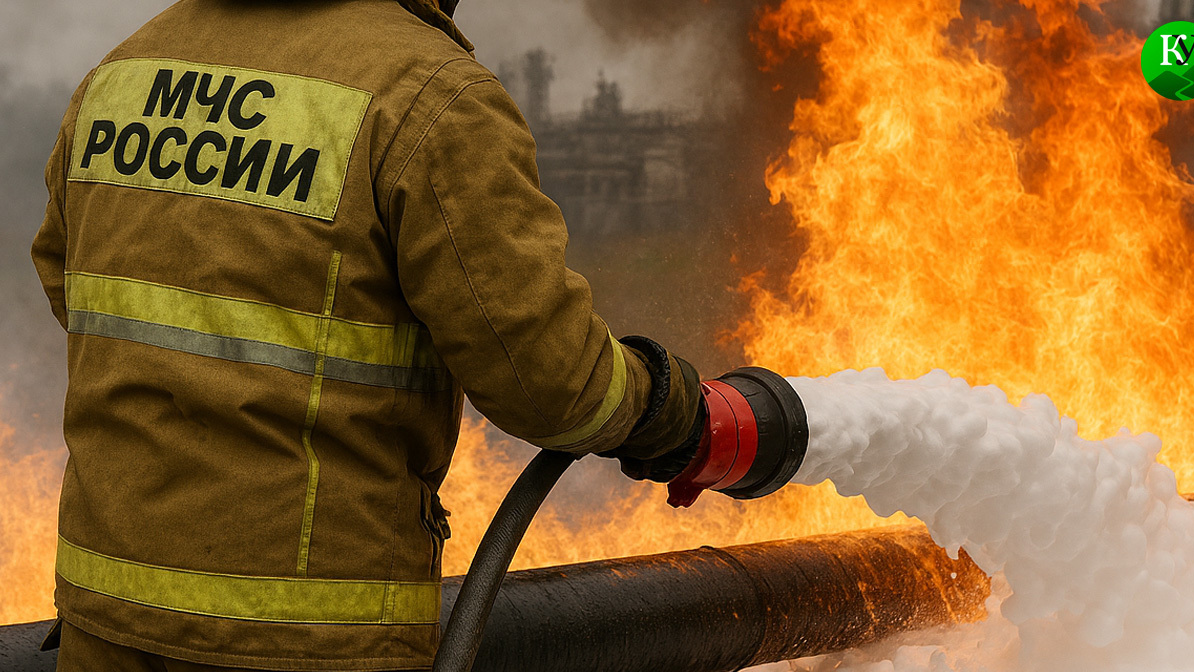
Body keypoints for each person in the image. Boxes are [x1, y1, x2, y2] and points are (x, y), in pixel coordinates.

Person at [31, 0, 706, 669]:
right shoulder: (431, 96)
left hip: (108, 610)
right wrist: (672, 410)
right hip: (306, 632)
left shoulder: (123, 73)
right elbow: (552, 383)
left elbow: (72, 287)